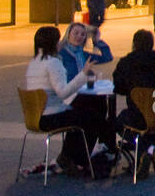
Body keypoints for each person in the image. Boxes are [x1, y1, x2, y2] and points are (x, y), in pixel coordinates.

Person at [22, 25, 108, 176]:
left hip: (35, 116)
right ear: (53, 43)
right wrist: (83, 74)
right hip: (50, 116)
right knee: (92, 117)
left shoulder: (34, 62)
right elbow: (62, 92)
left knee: (82, 113)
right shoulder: (53, 63)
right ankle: (80, 159)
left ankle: (69, 156)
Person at [112, 29, 155, 179]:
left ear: (134, 44)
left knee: (118, 122)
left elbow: (119, 88)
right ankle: (149, 151)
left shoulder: (126, 63)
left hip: (138, 116)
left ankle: (147, 151)